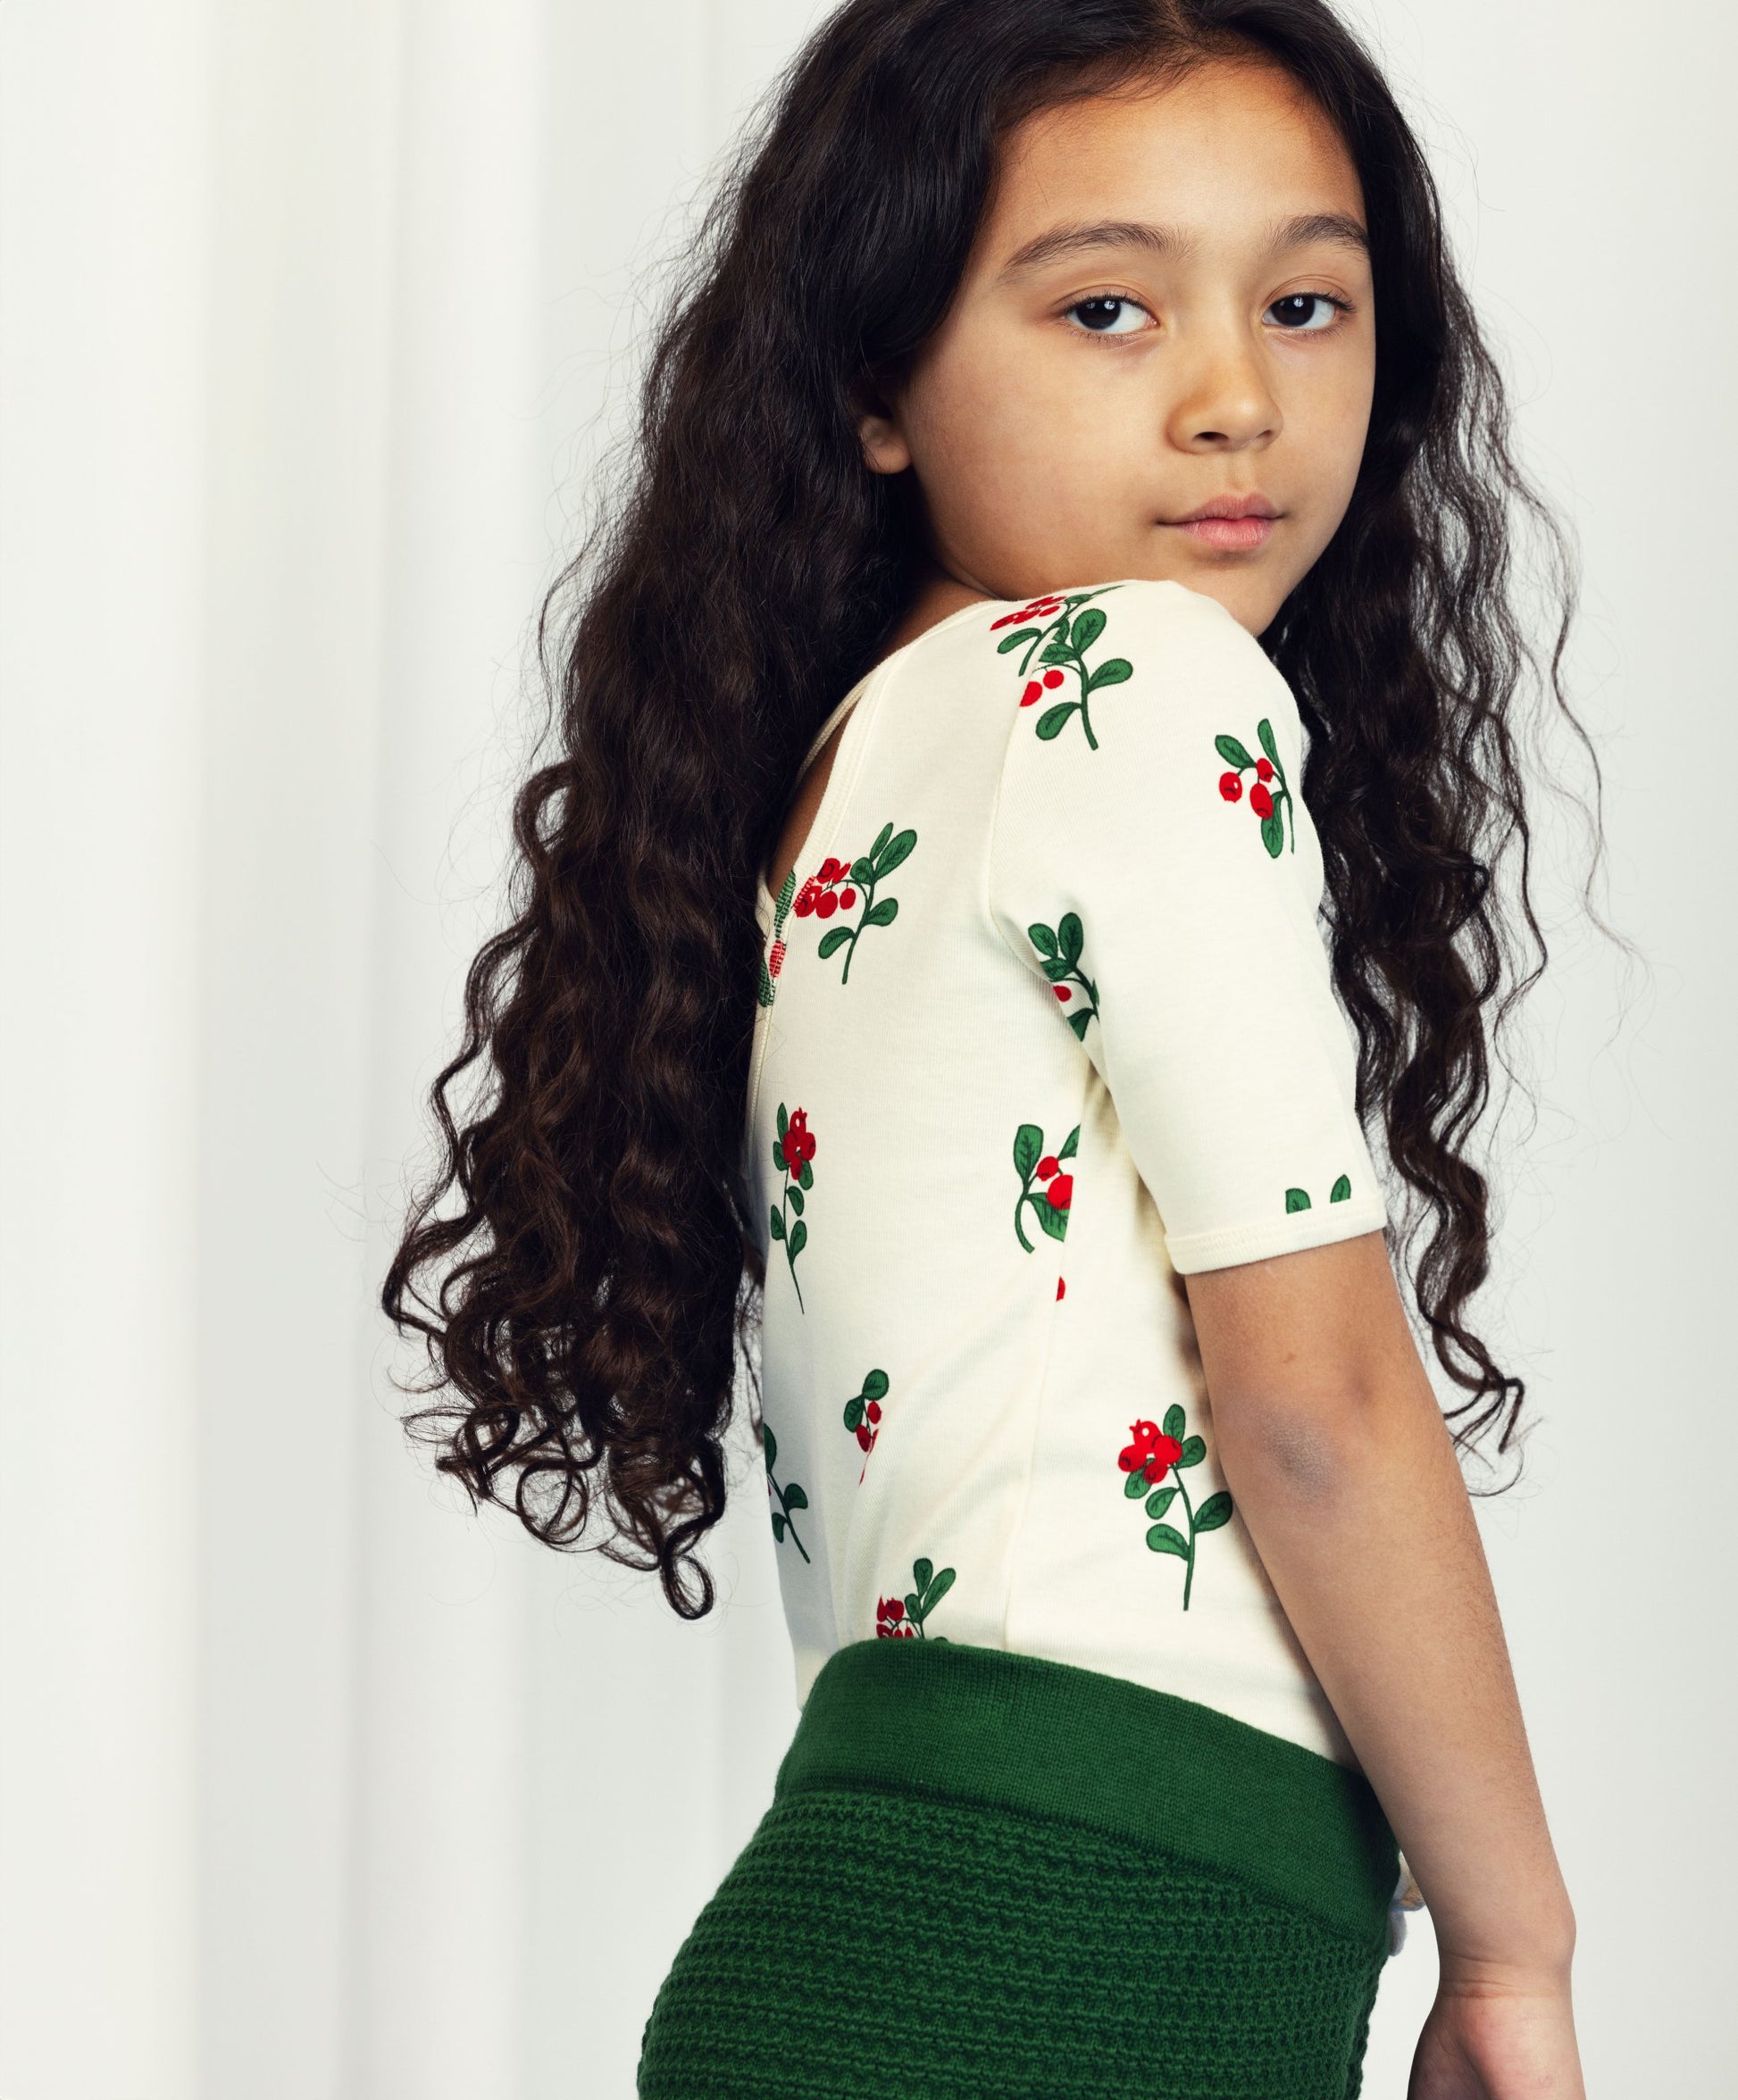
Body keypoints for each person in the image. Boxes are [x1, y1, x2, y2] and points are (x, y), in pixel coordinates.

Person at [381, 2, 1599, 2094]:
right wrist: (1511, 1951)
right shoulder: (1135, 686)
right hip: (1075, 1949)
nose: (1236, 400)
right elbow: (1312, 1402)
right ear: (875, 382)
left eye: (1307, 302)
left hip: (879, 1931)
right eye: (1110, 307)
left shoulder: (847, 772)